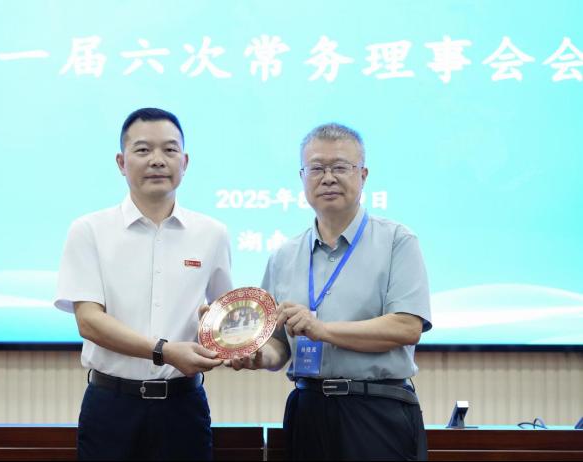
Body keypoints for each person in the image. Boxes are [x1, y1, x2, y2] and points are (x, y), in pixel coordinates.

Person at [226, 123, 432, 460]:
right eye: (317, 168)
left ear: (363, 175)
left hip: (376, 410)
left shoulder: (397, 241)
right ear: (302, 177)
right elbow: (278, 344)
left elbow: (406, 328)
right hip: (307, 409)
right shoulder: (284, 255)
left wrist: (321, 330)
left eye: (340, 167)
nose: (328, 178)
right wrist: (259, 356)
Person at [55, 108, 232, 460]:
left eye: (169, 149)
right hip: (112, 407)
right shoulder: (89, 230)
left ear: (185, 162)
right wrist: (164, 350)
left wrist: (243, 341)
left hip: (183, 407)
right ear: (122, 163)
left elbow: (225, 316)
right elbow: (89, 321)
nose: (157, 160)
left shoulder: (212, 233)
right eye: (143, 150)